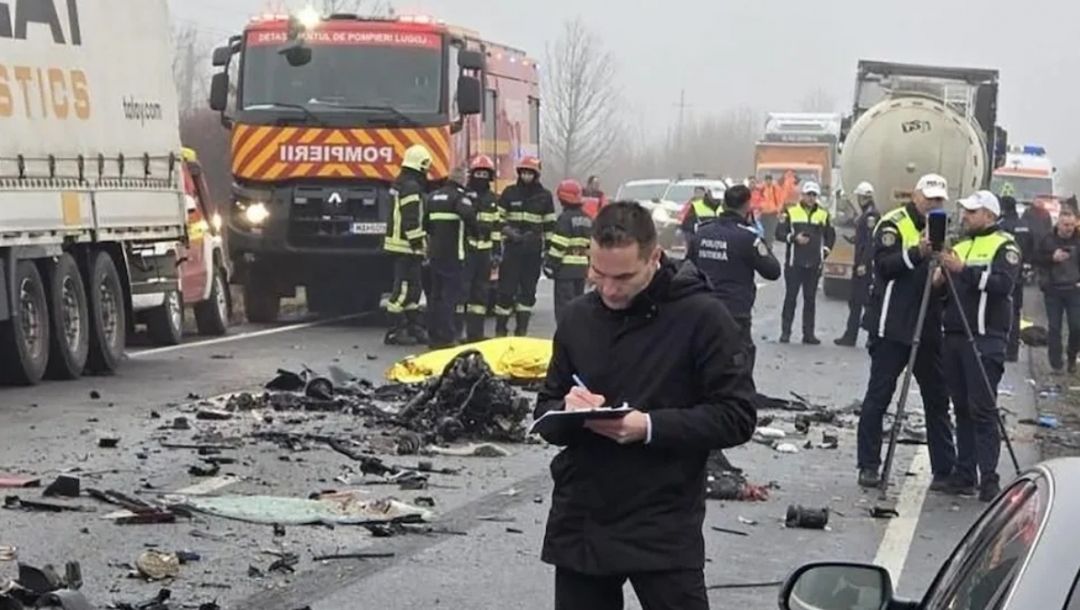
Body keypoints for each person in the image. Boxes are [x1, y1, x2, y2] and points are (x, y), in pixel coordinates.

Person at [534, 201, 756, 610]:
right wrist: (566, 409)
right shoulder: (578, 318)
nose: (609, 290)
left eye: (623, 277)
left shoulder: (703, 316)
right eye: (598, 274)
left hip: (662, 519)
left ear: (655, 258)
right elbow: (545, 412)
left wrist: (650, 426)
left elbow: (737, 415)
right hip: (583, 517)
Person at [856, 174, 956, 489]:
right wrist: (917, 252)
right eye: (929, 198)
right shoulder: (893, 223)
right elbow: (885, 266)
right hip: (892, 326)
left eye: (939, 200)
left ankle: (945, 468)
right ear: (915, 196)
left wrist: (941, 281)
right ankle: (868, 465)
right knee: (879, 396)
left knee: (937, 398)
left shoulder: (944, 230)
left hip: (927, 326)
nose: (933, 204)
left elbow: (943, 286)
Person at [937, 190, 1021, 501]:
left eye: (972, 212)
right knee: (961, 408)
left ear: (989, 214)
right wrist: (940, 281)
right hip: (955, 336)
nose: (965, 216)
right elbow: (948, 293)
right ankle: (964, 473)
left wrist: (963, 270)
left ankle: (989, 478)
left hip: (985, 338)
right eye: (965, 211)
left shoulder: (1005, 245)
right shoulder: (959, 246)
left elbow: (1003, 285)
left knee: (983, 409)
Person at [686, 184, 781, 372]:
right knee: (738, 364)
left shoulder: (702, 232)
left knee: (703, 361)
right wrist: (757, 236)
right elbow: (773, 271)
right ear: (747, 206)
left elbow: (688, 267)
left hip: (703, 309)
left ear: (724, 204)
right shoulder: (747, 237)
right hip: (735, 312)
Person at [494, 156, 556, 337]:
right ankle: (500, 330)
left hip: (532, 251)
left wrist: (548, 251)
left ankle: (521, 331)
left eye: (530, 173)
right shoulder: (509, 193)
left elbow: (550, 226)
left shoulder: (544, 196)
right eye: (524, 173)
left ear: (536, 175)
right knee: (506, 291)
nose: (526, 176)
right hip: (512, 249)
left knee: (528, 291)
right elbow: (497, 218)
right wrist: (508, 231)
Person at [382, 144, 431, 346]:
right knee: (402, 290)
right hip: (405, 246)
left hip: (404, 245)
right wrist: (419, 243)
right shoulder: (411, 186)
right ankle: (394, 331)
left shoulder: (403, 183)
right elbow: (411, 219)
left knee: (414, 289)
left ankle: (413, 327)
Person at [424, 166, 477, 349]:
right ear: (461, 179)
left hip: (435, 254)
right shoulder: (460, 197)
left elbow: (426, 225)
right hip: (455, 254)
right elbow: (470, 218)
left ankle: (433, 336)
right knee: (450, 297)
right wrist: (477, 233)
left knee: (435, 296)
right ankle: (448, 336)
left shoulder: (433, 197)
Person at [776, 181, 835, 344]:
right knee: (791, 298)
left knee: (810, 300)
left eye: (814, 195)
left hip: (814, 264)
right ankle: (785, 332)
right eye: (808, 194)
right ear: (802, 195)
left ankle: (808, 334)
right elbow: (779, 233)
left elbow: (830, 235)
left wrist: (825, 251)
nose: (811, 198)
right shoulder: (791, 212)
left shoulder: (823, 214)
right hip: (794, 263)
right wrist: (794, 238)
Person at [1034, 203, 1080, 372]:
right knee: (1054, 327)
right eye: (1065, 225)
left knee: (1076, 326)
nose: (1069, 229)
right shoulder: (1048, 239)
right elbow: (1036, 258)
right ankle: (1056, 362)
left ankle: (1072, 356)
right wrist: (1052, 258)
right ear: (1058, 224)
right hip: (1053, 289)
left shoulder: (1078, 240)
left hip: (1074, 289)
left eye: (1072, 225)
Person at [459, 154, 500, 342]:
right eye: (478, 173)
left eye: (485, 174)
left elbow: (496, 228)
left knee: (480, 294)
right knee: (462, 292)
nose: (481, 177)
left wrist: (497, 253)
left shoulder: (493, 199)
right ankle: (458, 333)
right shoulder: (464, 196)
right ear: (472, 174)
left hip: (485, 254)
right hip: (466, 251)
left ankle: (475, 334)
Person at [836, 182, 880, 347]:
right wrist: (854, 239)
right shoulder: (866, 214)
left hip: (864, 265)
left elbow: (870, 241)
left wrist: (863, 263)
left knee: (862, 302)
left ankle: (865, 337)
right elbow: (863, 238)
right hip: (861, 262)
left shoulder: (871, 216)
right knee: (855, 301)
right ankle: (852, 335)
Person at [546, 179, 593, 323]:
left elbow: (559, 245)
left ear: (562, 199)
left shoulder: (564, 219)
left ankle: (564, 334)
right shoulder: (587, 219)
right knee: (578, 306)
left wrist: (550, 265)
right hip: (581, 270)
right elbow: (591, 246)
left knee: (564, 308)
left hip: (565, 271)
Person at [997, 195, 1032, 361]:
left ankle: (1003, 347)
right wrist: (1028, 266)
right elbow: (1031, 246)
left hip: (1005, 274)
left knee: (1002, 310)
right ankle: (1013, 351)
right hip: (1019, 275)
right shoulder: (1025, 225)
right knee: (1016, 312)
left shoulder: (1002, 226)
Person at [758, 174, 784, 250]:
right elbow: (758, 199)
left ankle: (769, 246)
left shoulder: (776, 189)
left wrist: (778, 210)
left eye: (770, 180)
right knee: (764, 230)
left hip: (773, 213)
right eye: (767, 180)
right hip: (763, 213)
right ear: (765, 180)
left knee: (771, 230)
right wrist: (759, 209)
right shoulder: (761, 189)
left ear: (771, 180)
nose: (768, 181)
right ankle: (765, 245)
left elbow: (780, 200)